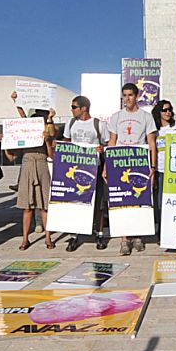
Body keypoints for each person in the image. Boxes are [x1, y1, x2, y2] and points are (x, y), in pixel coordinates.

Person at [107, 83, 158, 255]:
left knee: (139, 199)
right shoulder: (116, 117)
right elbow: (112, 142)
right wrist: (107, 166)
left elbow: (151, 143)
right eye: (124, 95)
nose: (127, 99)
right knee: (122, 201)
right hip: (120, 162)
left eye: (130, 95)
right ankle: (124, 239)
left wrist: (152, 166)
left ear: (136, 96)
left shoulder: (146, 116)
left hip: (140, 161)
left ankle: (138, 236)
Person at [62, 96, 109, 252]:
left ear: (84, 108)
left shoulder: (99, 124)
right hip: (76, 168)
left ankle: (100, 233)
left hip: (94, 167)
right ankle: (74, 236)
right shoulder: (71, 123)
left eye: (74, 107)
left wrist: (102, 150)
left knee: (98, 204)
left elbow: (107, 144)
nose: (72, 109)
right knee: (76, 202)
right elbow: (67, 142)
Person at [6, 109, 55, 250]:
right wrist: (6, 143)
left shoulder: (46, 134)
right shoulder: (24, 136)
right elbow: (11, 157)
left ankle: (48, 237)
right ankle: (25, 239)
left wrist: (46, 141)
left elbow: (51, 155)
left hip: (42, 166)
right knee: (27, 207)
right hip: (27, 167)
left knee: (44, 206)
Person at [151, 99, 176, 238]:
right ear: (158, 112)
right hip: (160, 170)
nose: (168, 112)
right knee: (161, 203)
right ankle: (161, 229)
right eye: (165, 110)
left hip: (175, 171)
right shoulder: (155, 131)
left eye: (170, 110)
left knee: (174, 202)